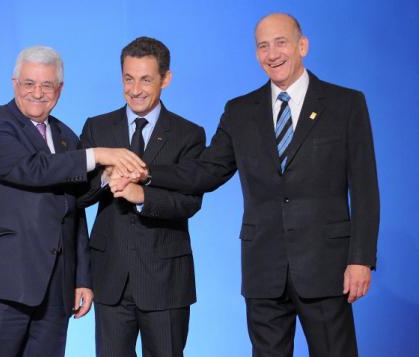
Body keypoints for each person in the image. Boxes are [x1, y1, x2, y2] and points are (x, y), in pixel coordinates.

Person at [113, 14, 380, 357]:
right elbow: (204, 172)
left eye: (280, 43)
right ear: (256, 54)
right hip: (263, 269)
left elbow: (365, 188)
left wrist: (360, 259)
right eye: (263, 46)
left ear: (302, 45)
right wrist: (144, 172)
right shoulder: (240, 111)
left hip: (326, 267)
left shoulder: (345, 104)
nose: (272, 54)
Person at [0, 45, 145, 356]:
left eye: (47, 85)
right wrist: (97, 154)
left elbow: (74, 209)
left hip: (55, 292)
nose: (38, 92)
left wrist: (82, 277)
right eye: (29, 83)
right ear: (15, 83)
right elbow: (32, 169)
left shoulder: (66, 137)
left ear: (60, 89)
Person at [78, 37, 206, 357]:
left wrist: (141, 197)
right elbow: (76, 196)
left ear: (166, 79)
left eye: (146, 79)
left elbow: (190, 202)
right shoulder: (97, 128)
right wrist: (106, 177)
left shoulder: (189, 135)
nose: (135, 89)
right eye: (128, 78)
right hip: (110, 279)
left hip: (165, 282)